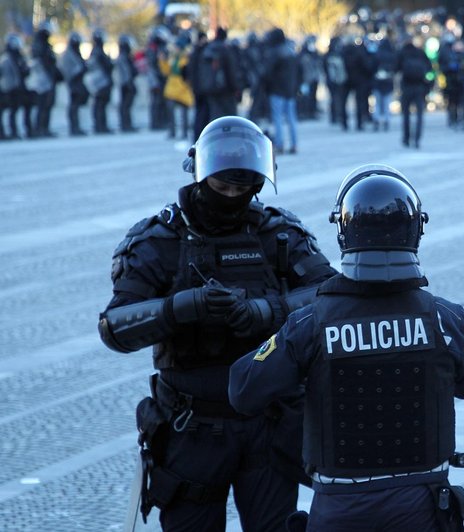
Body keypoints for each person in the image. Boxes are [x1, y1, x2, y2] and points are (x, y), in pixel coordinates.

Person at [229, 163, 464, 532]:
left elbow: (243, 389)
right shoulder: (443, 319)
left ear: (344, 234)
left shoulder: (312, 323)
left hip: (340, 508)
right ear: (415, 231)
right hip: (420, 507)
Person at [97, 116, 337, 531]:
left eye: (243, 189)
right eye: (223, 187)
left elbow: (332, 296)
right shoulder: (160, 240)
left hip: (269, 423)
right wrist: (179, 309)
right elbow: (114, 328)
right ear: (199, 174)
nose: (232, 197)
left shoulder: (278, 233)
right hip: (192, 427)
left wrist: (267, 312)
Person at [397, 37, 433, 149]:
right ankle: (417, 139)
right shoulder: (421, 53)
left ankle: (406, 138)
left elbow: (396, 69)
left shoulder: (402, 53)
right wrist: (428, 86)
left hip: (406, 87)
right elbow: (429, 70)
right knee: (419, 115)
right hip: (419, 87)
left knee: (406, 114)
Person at [59, 31, 89, 136]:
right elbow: (69, 70)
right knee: (74, 105)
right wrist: (79, 71)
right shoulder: (68, 54)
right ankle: (74, 127)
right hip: (73, 82)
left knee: (76, 105)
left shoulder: (75, 52)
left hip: (77, 81)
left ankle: (76, 127)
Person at [86, 29, 114, 134]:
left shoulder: (96, 51)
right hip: (101, 82)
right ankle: (100, 126)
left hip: (100, 82)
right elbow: (104, 67)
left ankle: (101, 125)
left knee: (100, 104)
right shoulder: (98, 52)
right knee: (99, 104)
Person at [116, 34, 139, 133]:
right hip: (126, 84)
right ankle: (125, 125)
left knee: (126, 106)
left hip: (126, 83)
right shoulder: (123, 57)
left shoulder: (125, 56)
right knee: (125, 106)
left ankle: (127, 124)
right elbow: (126, 72)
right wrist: (129, 83)